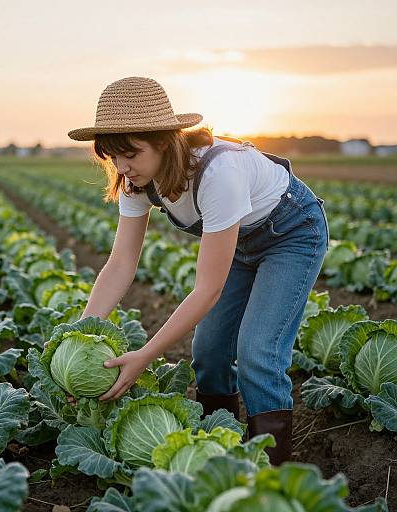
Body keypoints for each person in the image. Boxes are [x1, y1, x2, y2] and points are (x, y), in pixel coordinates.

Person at [66, 76, 329, 465]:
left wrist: (146, 355)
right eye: (111, 155)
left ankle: (274, 476)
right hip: (240, 243)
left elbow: (208, 289)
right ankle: (217, 453)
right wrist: (80, 337)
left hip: (291, 234)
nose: (122, 166)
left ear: (162, 140)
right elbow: (121, 263)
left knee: (257, 353)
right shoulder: (135, 182)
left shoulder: (220, 174)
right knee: (207, 352)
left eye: (131, 154)